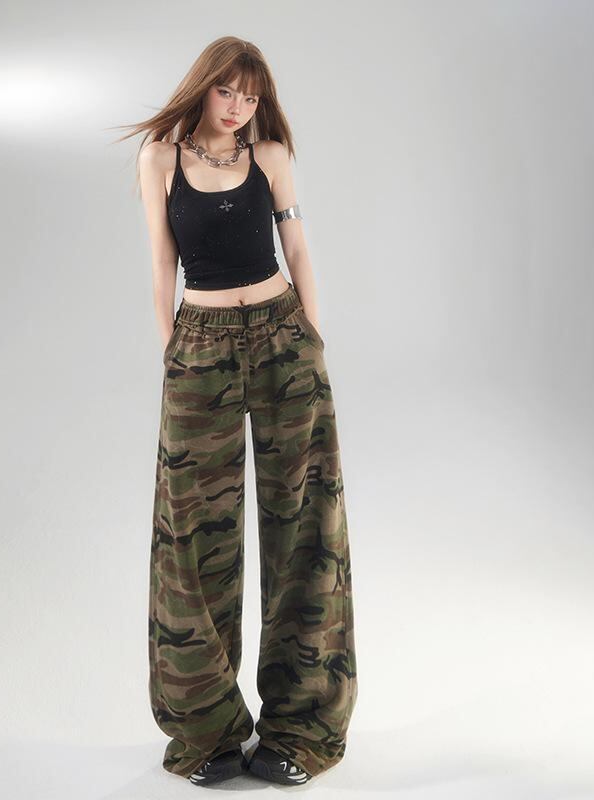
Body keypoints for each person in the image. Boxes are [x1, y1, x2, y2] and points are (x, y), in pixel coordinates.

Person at [115, 35, 357, 786]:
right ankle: (208, 732)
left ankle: (301, 729)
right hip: (202, 344)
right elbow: (162, 261)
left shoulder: (272, 156)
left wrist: (312, 338)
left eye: (251, 97)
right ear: (204, 87)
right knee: (192, 537)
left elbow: (299, 250)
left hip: (283, 337)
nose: (239, 107)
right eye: (228, 91)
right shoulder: (158, 159)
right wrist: (173, 352)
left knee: (306, 526)